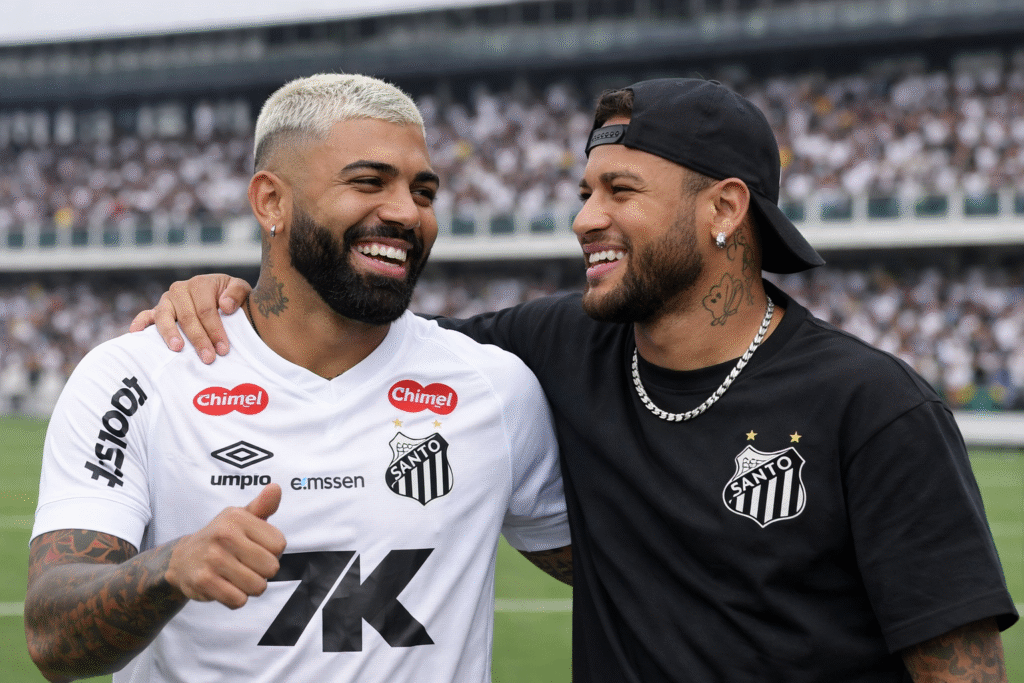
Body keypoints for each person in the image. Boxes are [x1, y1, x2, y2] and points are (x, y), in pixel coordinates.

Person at [134, 78, 1018, 682]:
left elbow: (960, 666)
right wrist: (235, 293)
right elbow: (356, 331)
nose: (582, 218)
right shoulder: (553, 346)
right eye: (585, 189)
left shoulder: (873, 408)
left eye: (620, 191)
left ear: (725, 210)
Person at [26, 73, 571, 683]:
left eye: (423, 192)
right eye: (369, 182)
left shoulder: (493, 388)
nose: (406, 213)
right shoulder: (135, 375)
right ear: (270, 202)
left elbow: (629, 569)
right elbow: (53, 636)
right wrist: (170, 568)